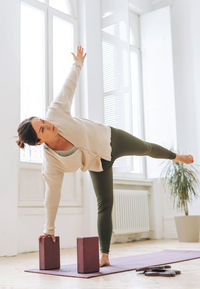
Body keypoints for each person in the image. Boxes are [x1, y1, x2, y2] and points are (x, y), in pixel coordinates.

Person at [16, 45, 194, 267]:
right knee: (105, 204)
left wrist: (78, 63)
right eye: (42, 129)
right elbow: (52, 196)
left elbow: (67, 88)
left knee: (146, 148)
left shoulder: (56, 112)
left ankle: (176, 157)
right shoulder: (51, 163)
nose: (48, 125)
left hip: (111, 138)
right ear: (40, 141)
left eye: (43, 121)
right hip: (99, 163)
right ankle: (105, 256)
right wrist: (48, 229)